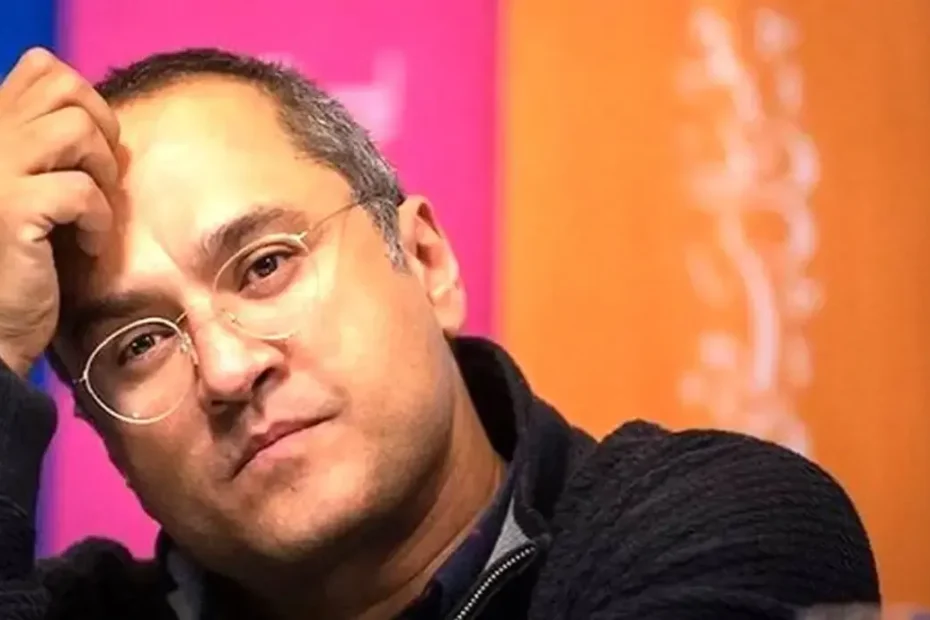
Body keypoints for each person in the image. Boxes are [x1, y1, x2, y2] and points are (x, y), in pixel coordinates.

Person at [0, 46, 879, 620]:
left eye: (266, 265)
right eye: (140, 345)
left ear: (426, 261)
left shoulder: (708, 527)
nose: (228, 369)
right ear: (105, 437)